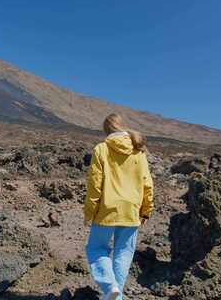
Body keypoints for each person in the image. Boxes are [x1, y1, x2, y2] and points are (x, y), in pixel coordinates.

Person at [84, 113, 154, 300]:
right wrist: (146, 210)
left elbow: (95, 185)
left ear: (106, 129)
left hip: (107, 210)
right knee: (124, 253)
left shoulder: (101, 149)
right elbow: (147, 183)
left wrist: (89, 212)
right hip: (131, 210)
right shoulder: (139, 152)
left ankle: (110, 287)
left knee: (96, 248)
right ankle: (116, 295)